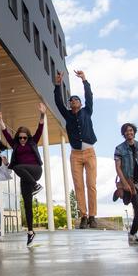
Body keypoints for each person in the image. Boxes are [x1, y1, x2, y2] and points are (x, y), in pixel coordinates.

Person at [0, 103, 46, 247]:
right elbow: (6, 134)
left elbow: (40, 128)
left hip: (35, 170)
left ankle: (36, 185)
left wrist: (42, 114)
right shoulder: (15, 144)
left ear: (28, 137)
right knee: (27, 203)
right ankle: (30, 232)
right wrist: (0, 121)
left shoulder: (33, 141)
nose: (23, 140)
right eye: (20, 138)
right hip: (24, 176)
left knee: (16, 166)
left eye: (25, 138)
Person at [54, 70, 98, 229]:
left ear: (80, 103)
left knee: (91, 184)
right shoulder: (67, 115)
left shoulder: (87, 111)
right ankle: (84, 216)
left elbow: (89, 96)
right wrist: (58, 83)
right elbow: (58, 101)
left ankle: (93, 216)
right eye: (71, 100)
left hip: (90, 153)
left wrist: (84, 80)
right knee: (78, 185)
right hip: (75, 155)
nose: (73, 101)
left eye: (76, 99)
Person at [114, 123, 138, 244]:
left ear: (134, 132)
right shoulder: (119, 148)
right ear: (123, 134)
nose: (128, 133)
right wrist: (124, 183)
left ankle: (132, 234)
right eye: (126, 131)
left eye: (130, 130)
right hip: (129, 183)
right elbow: (118, 167)